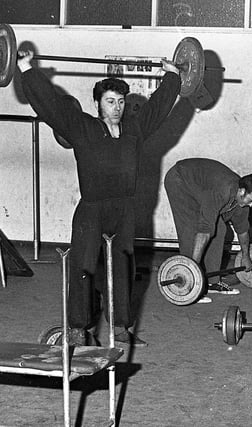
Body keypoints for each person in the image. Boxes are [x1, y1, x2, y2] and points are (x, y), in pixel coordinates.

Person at [17, 50, 181, 347]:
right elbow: (51, 105)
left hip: (124, 210)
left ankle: (120, 328)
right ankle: (79, 329)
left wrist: (171, 77)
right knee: (82, 267)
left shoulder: (134, 129)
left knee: (123, 268)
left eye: (120, 102)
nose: (116, 108)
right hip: (91, 209)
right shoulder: (83, 128)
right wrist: (26, 67)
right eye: (110, 101)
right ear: (98, 103)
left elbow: (157, 109)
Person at [163, 158, 252, 302]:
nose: (251, 205)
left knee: (220, 228)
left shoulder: (242, 202)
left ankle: (212, 281)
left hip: (200, 187)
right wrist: (193, 271)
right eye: (251, 200)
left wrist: (246, 256)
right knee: (192, 226)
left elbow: (242, 231)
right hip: (180, 180)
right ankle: (191, 283)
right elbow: (204, 231)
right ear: (241, 191)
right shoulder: (222, 191)